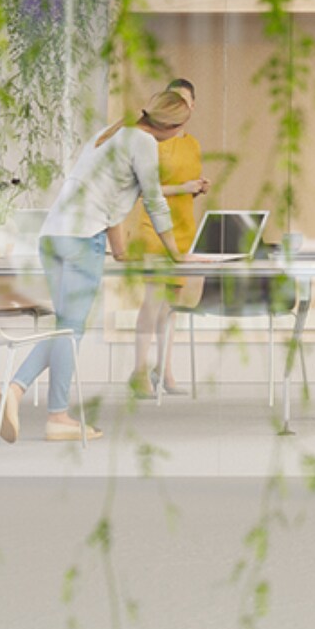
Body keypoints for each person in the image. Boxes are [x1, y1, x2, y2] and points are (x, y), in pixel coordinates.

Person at [2, 91, 193, 443]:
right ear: (175, 126)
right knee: (70, 330)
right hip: (80, 240)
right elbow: (154, 201)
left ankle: (29, 399)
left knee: (65, 328)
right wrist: (176, 253)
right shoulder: (144, 143)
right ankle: (42, 407)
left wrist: (119, 251)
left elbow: (106, 199)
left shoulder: (109, 134)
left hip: (53, 237)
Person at [123, 78, 210, 397]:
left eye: (185, 102)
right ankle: (139, 370)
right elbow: (144, 190)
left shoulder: (192, 143)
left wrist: (197, 188)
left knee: (171, 304)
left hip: (183, 226)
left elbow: (187, 182)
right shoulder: (152, 141)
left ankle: (166, 369)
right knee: (153, 300)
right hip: (154, 231)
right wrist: (182, 188)